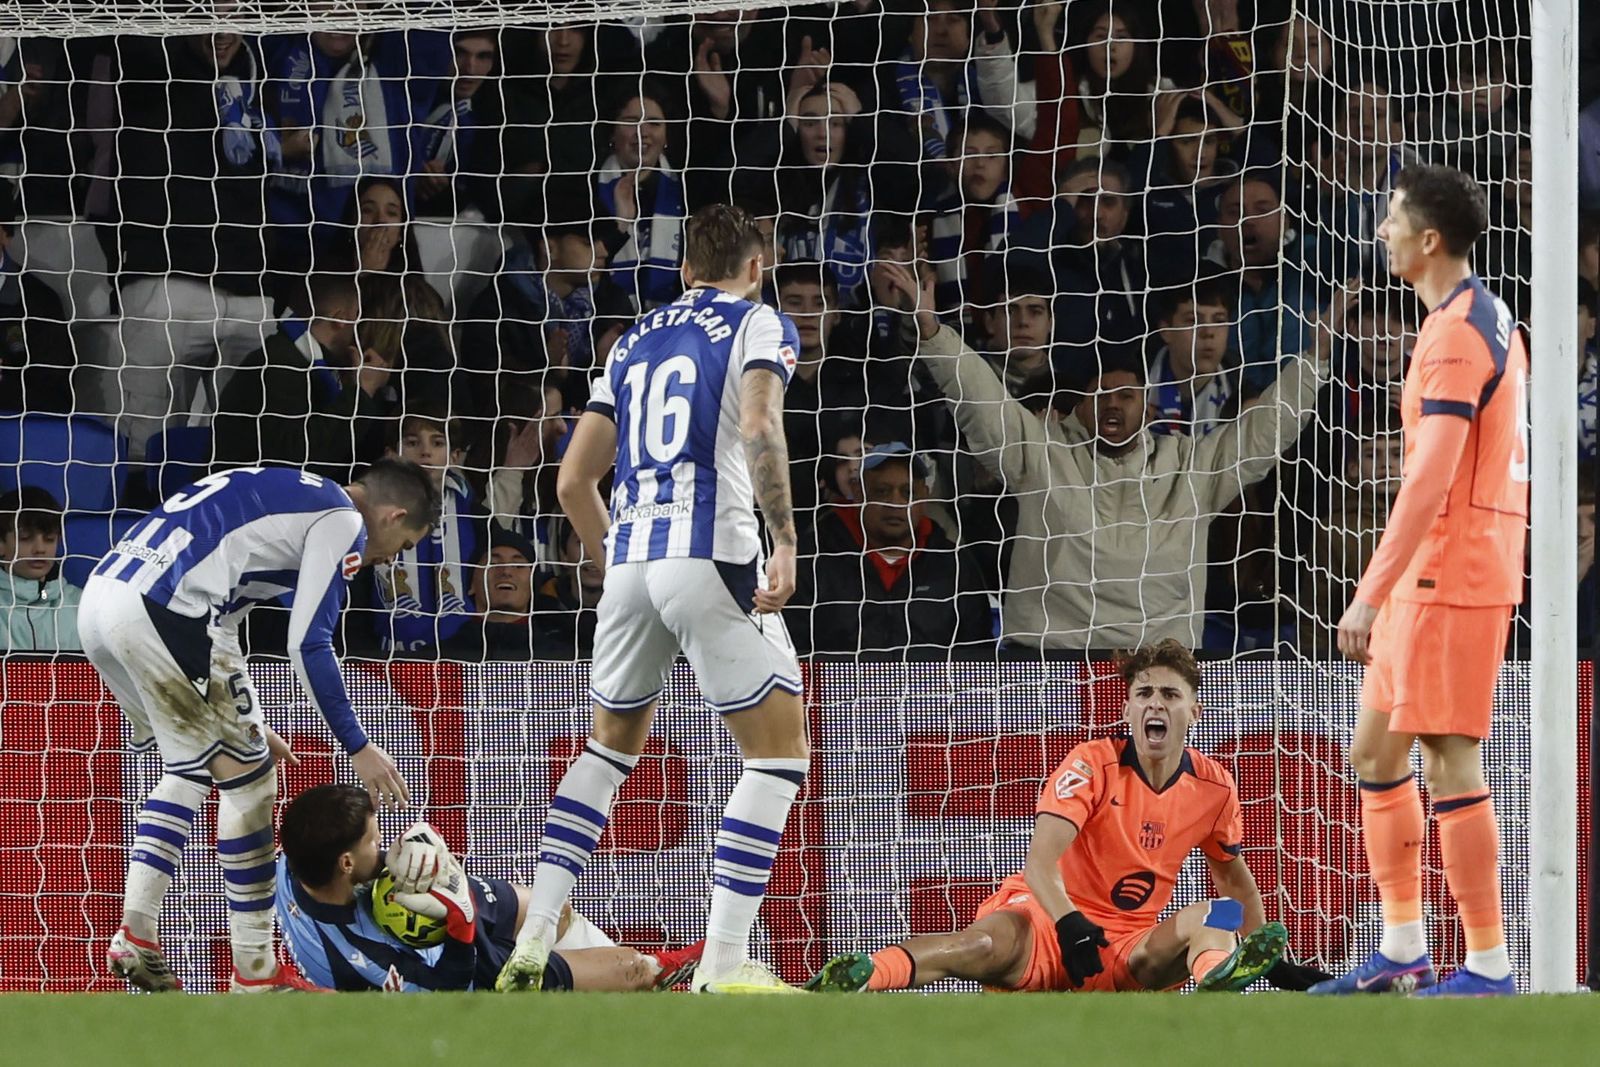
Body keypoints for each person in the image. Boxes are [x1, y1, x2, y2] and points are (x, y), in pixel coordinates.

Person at [497, 204, 807, 995]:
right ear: (755, 267)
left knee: (605, 753)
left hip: (632, 559)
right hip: (712, 548)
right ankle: (724, 962)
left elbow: (573, 480)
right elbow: (760, 420)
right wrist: (785, 538)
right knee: (775, 756)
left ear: (682, 271)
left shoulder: (631, 341)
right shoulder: (757, 319)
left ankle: (532, 941)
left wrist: (618, 558)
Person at [82, 459, 440, 993]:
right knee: (250, 783)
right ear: (394, 515)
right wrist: (358, 746)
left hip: (102, 602)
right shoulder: (343, 520)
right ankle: (254, 971)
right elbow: (309, 644)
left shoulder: (285, 491)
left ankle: (138, 933)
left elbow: (223, 615)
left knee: (195, 768)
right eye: (403, 544)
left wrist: (245, 719)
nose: (388, 559)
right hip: (165, 611)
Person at [806, 641, 1327, 994]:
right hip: (1048, 921)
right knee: (982, 943)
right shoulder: (1091, 762)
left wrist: (1270, 959)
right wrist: (1069, 924)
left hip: (1129, 946)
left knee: (1218, 913)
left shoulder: (1214, 787)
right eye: (1143, 694)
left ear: (1194, 711)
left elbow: (1234, 879)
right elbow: (1039, 862)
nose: (1155, 705)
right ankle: (865, 974)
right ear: (1126, 710)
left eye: (1170, 694)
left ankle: (1218, 974)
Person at [876, 261, 1335, 651]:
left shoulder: (1191, 465)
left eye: (1126, 394)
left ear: (1148, 404)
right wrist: (933, 333)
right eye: (1101, 393)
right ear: (1079, 405)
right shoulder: (1040, 453)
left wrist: (1317, 358)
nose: (1113, 403)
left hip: (1158, 664)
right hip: (1051, 659)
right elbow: (982, 403)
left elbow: (1263, 432)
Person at [1314, 165, 1529, 998]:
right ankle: (1403, 949)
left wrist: (1369, 589)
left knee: (1448, 756)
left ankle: (1488, 963)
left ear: (1429, 239)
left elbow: (1431, 479)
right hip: (1436, 570)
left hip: (1451, 569)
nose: (1381, 230)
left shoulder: (1456, 334)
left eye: (1392, 218)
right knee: (1375, 749)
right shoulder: (1478, 315)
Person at [276, 783, 702, 991]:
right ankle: (673, 972)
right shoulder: (361, 961)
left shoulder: (287, 864)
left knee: (553, 910)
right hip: (458, 956)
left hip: (424, 910)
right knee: (630, 969)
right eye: (374, 840)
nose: (383, 844)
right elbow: (448, 993)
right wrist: (462, 927)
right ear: (346, 863)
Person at [788, 442, 992, 654]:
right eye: (882, 491)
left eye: (908, 493)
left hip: (931, 687)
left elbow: (977, 660)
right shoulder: (813, 560)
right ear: (858, 494)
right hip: (834, 686)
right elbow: (791, 653)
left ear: (924, 497)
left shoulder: (954, 566)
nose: (896, 503)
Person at [212, 272, 396, 483]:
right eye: (357, 315)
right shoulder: (279, 364)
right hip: (242, 499)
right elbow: (299, 457)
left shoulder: (307, 361)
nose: (359, 327)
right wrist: (361, 393)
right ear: (340, 319)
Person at [371, 400, 483, 654]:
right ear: (391, 454)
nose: (425, 452)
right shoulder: (369, 515)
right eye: (412, 443)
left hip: (461, 656)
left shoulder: (476, 514)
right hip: (386, 659)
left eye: (437, 443)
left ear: (454, 456)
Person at [0, 487, 81, 651]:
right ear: (1, 545)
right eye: (26, 538)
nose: (40, 549)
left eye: (49, 539)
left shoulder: (81, 604)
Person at [444, 526, 540, 661]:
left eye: (518, 565)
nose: (506, 571)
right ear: (471, 585)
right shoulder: (438, 658)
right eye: (493, 564)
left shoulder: (563, 660)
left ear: (533, 586)